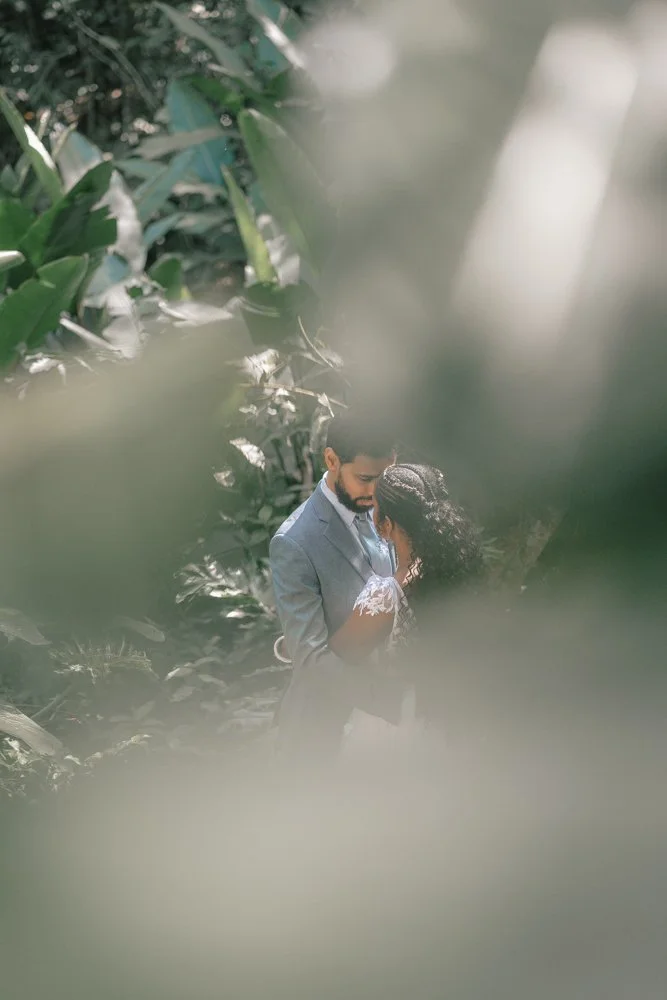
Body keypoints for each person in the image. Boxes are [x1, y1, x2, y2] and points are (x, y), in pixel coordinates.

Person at [270, 410, 407, 764]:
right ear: (331, 460)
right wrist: (391, 701)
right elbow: (311, 659)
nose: (376, 492)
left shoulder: (389, 508)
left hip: (391, 739)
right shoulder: (293, 543)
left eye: (384, 478)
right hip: (323, 735)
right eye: (365, 478)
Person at [328, 462, 484, 753]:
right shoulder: (455, 575)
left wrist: (288, 644)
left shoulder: (387, 595)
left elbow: (339, 653)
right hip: (449, 722)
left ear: (386, 525)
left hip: (400, 725)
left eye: (375, 508)